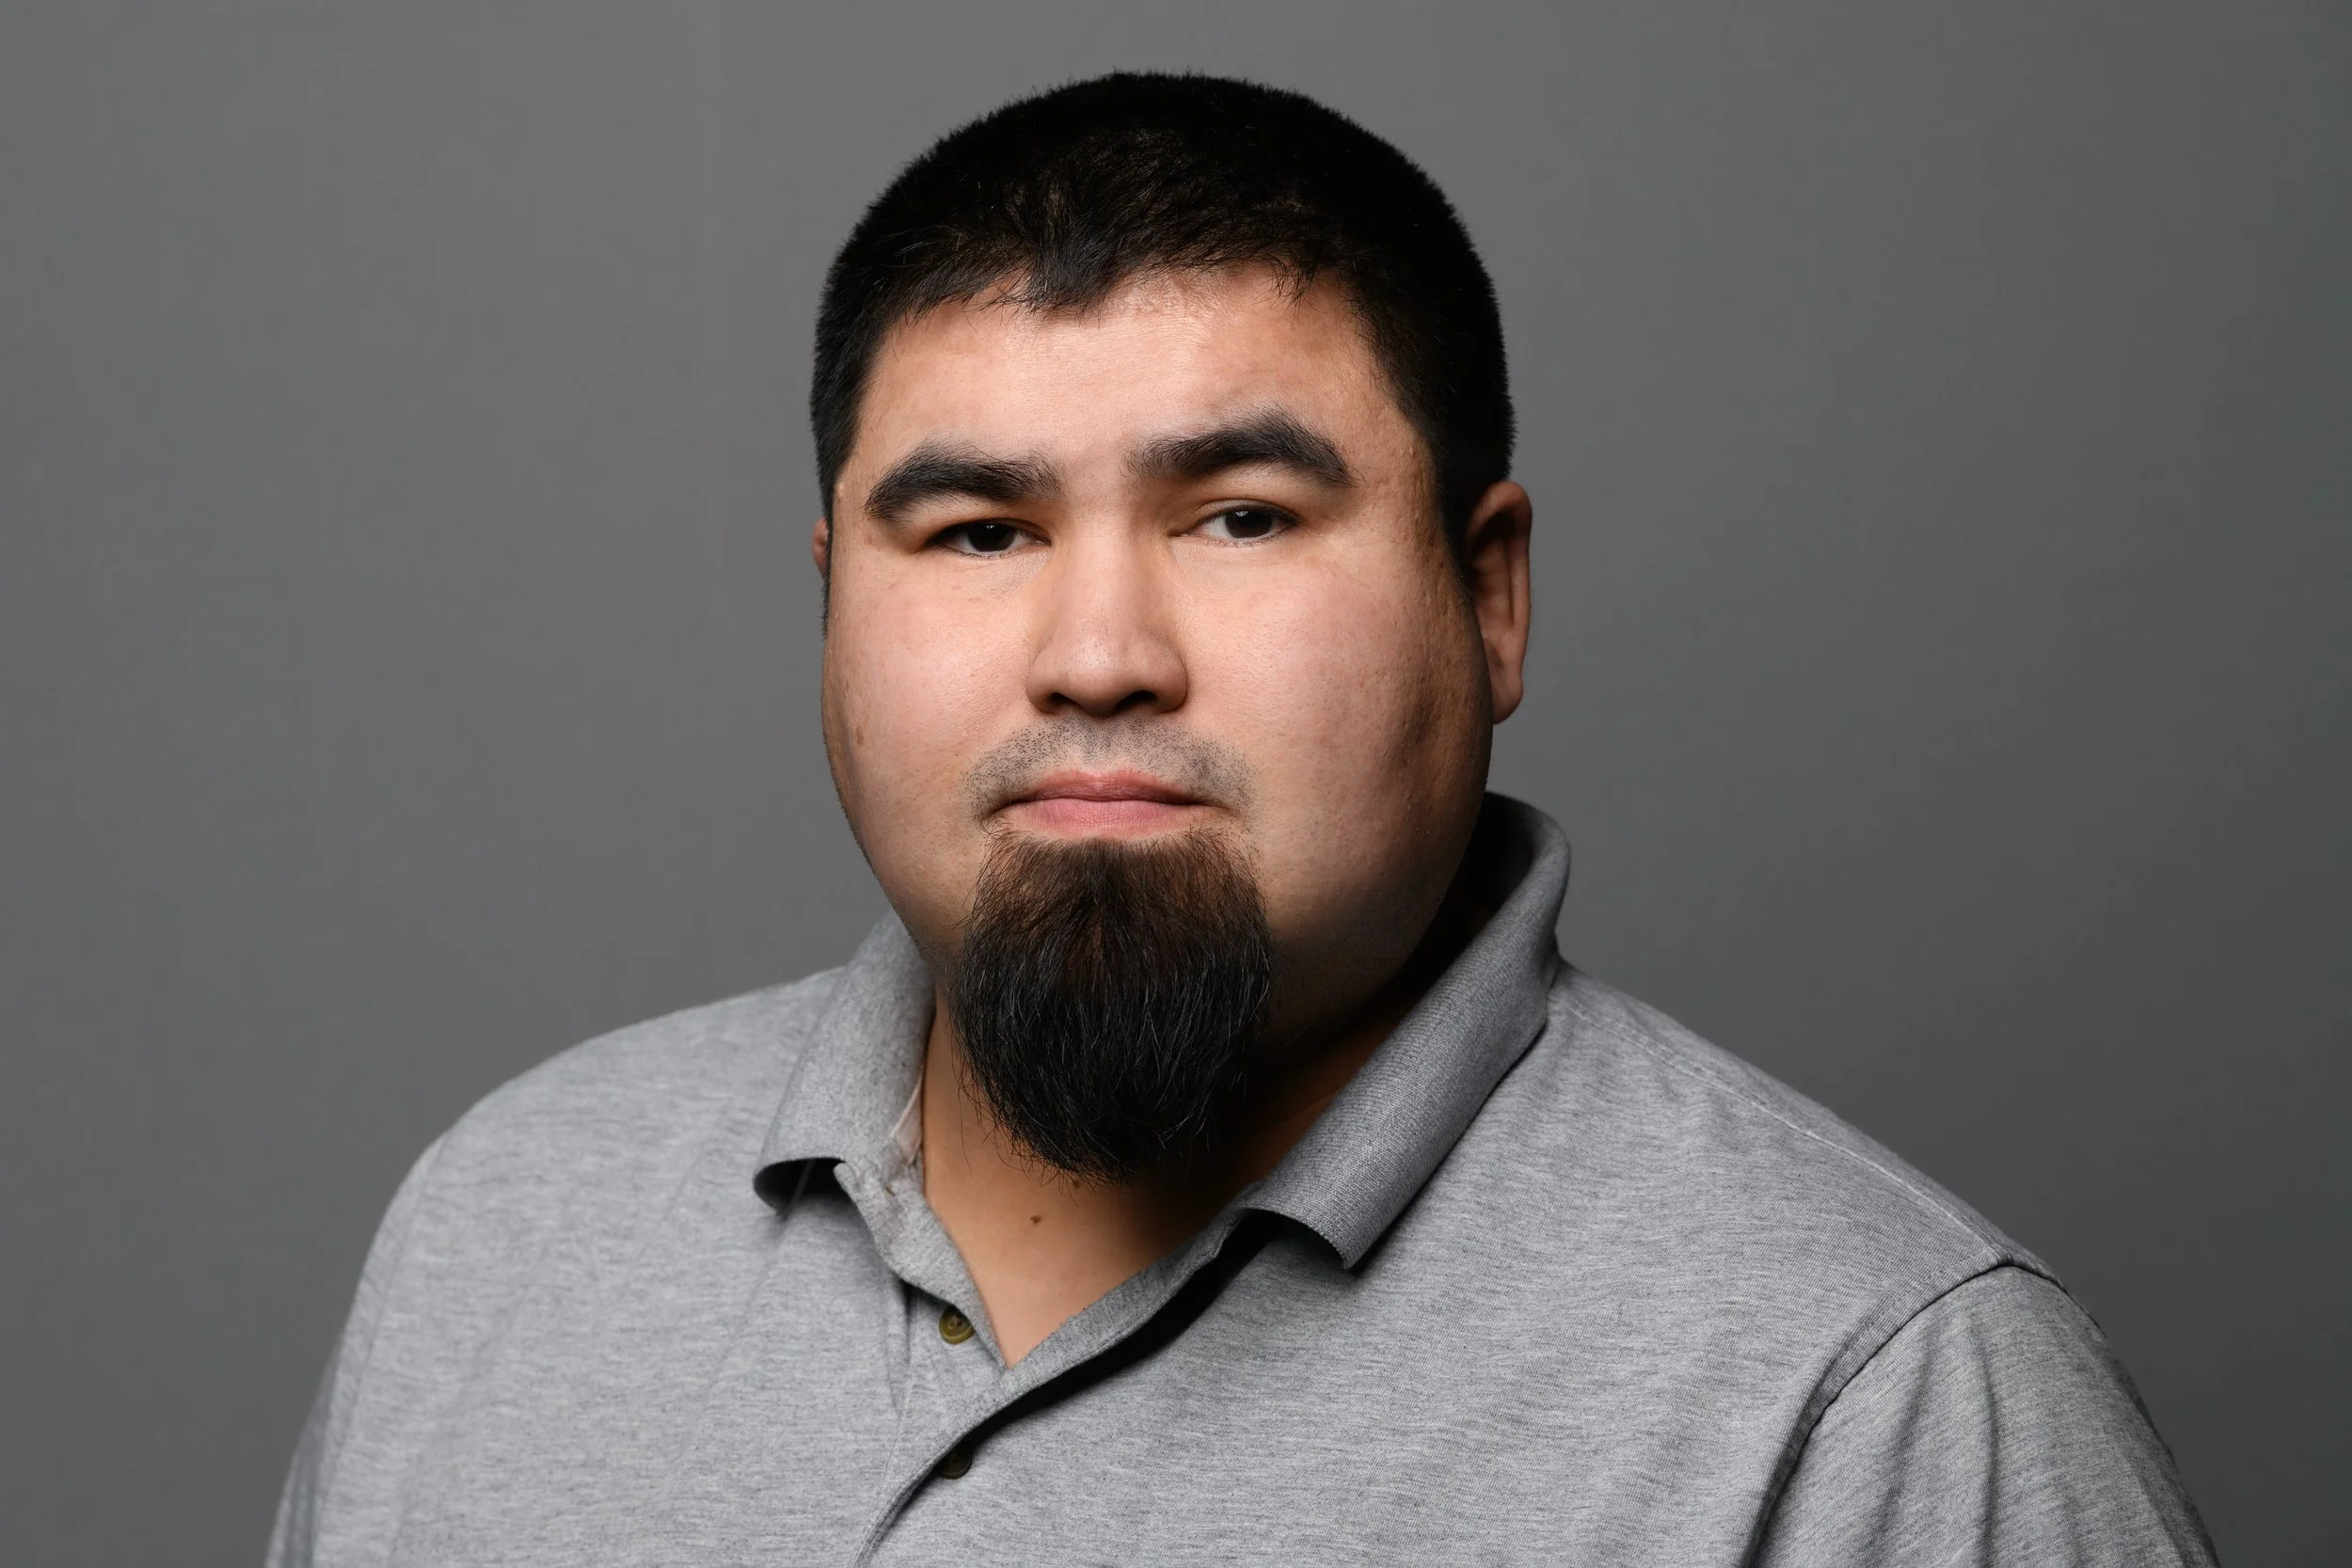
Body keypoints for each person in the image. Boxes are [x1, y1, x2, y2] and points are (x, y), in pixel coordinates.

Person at [269, 72, 2213, 1565]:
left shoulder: (1876, 1400)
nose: (1097, 650)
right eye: (975, 532)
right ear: (832, 597)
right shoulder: (500, 1227)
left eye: (1239, 517)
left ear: (1488, 594)